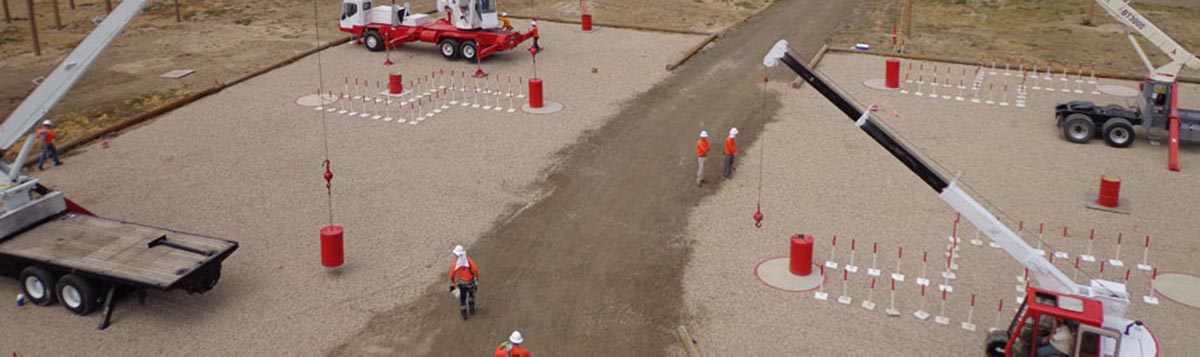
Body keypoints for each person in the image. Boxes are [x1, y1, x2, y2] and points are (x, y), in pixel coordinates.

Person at [449, 245, 479, 320]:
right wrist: (476, 278)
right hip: (471, 282)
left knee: (463, 298)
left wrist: (453, 282)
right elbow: (475, 270)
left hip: (462, 284)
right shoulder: (469, 261)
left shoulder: (455, 264)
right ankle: (472, 310)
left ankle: (464, 314)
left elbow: (451, 275)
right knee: (471, 295)